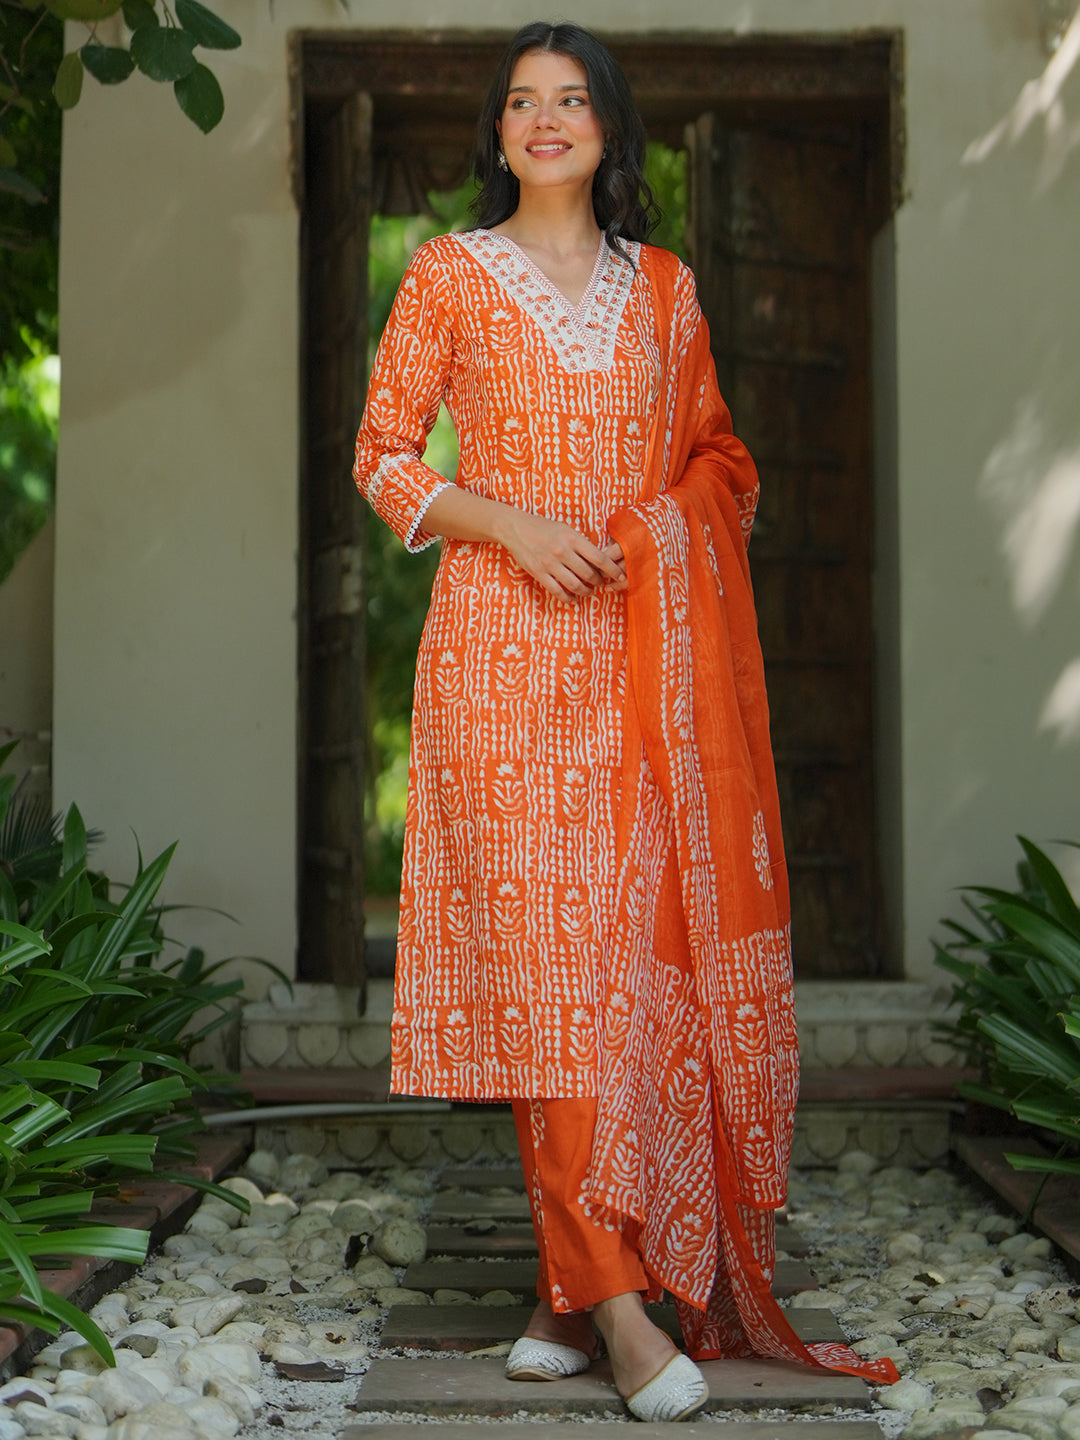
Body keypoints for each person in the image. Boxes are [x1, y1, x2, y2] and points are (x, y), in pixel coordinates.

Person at [353, 20, 899, 1422]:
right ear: (495, 132)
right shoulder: (445, 277)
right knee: (549, 983)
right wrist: (515, 526)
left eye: (572, 99)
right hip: (498, 658)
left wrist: (657, 528)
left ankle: (558, 1289)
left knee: (624, 979)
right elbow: (384, 457)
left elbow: (720, 459)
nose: (546, 120)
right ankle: (623, 1313)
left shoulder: (665, 291)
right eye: (522, 101)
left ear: (609, 130)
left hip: (645, 672)